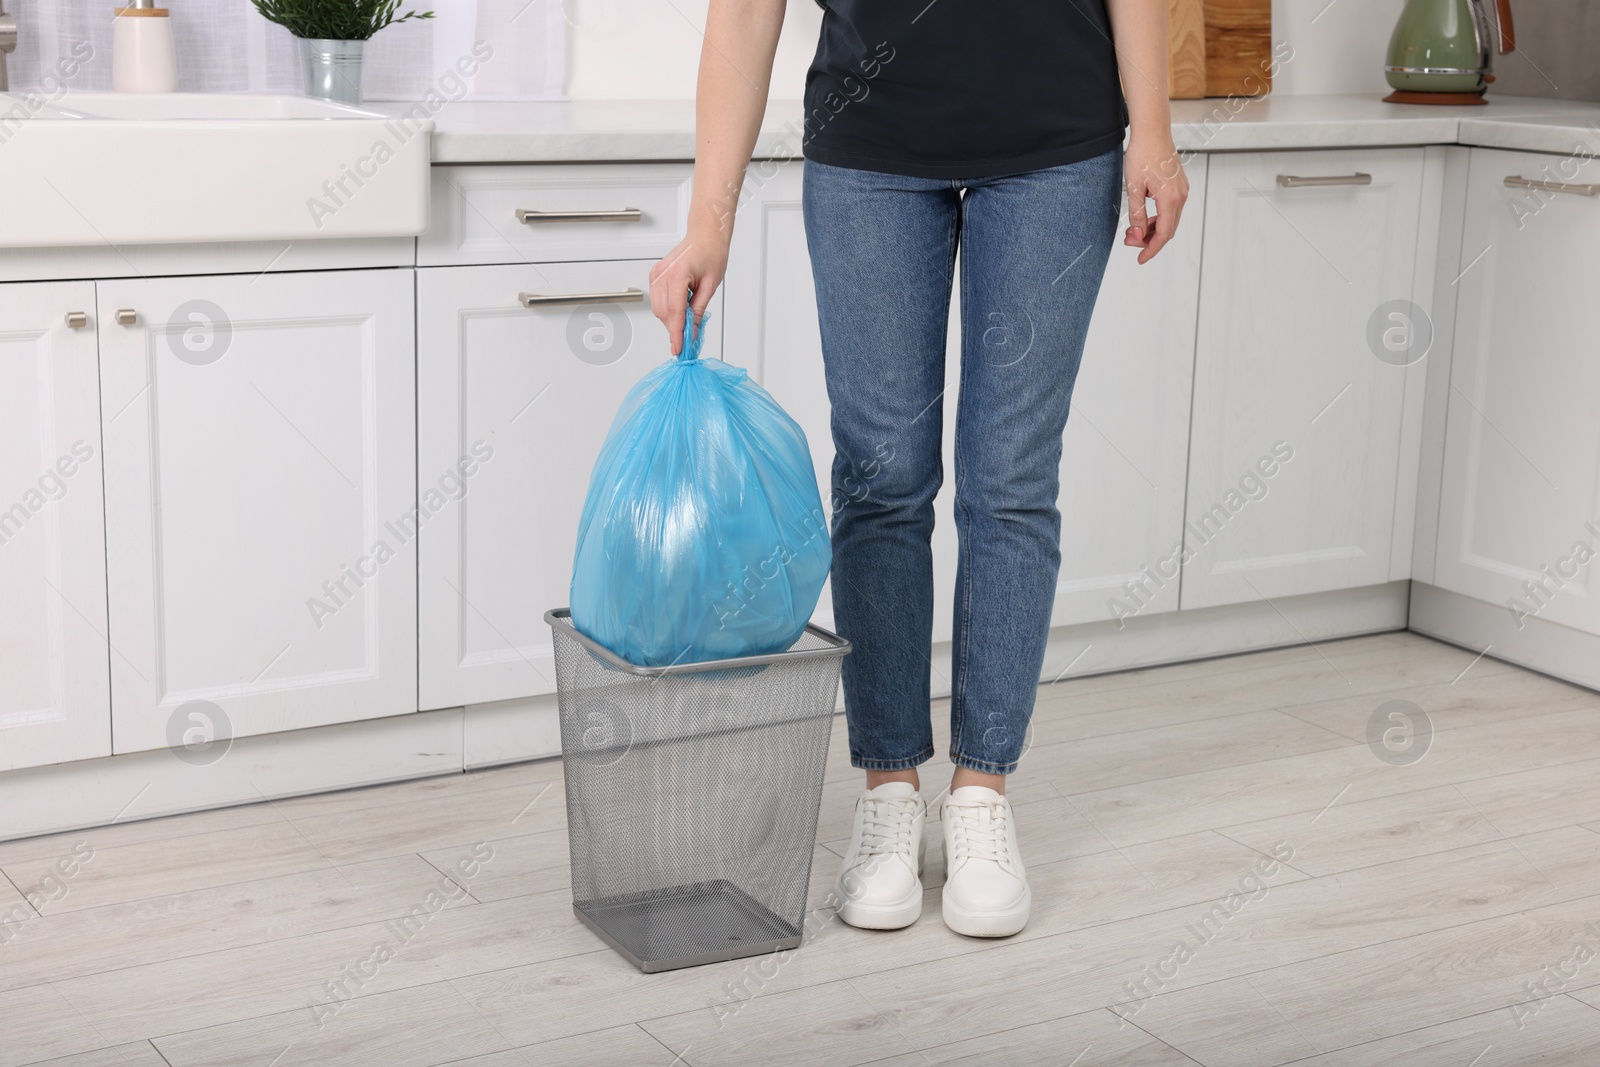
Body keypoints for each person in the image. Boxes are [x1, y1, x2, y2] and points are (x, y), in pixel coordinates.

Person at [649, 0, 1188, 938]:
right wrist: (710, 220)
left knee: (1011, 480)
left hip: (1060, 146)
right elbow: (744, 11)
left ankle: (982, 796)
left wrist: (1156, 131)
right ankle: (889, 790)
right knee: (879, 477)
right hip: (869, 151)